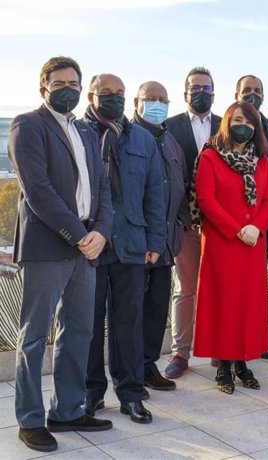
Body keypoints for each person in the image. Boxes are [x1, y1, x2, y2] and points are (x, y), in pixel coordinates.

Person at [9, 56, 114, 453]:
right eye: (60, 82)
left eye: (74, 81)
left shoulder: (86, 130)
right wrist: (79, 234)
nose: (68, 87)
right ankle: (31, 419)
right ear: (44, 88)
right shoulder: (27, 125)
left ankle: (68, 411)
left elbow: (103, 189)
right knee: (35, 336)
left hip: (87, 247)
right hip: (49, 245)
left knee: (79, 333)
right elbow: (38, 191)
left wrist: (101, 231)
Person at [84, 73, 165, 425]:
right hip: (89, 244)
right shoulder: (80, 133)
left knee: (128, 323)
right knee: (87, 322)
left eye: (120, 93)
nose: (114, 98)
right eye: (106, 93)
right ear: (91, 96)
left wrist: (155, 243)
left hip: (131, 244)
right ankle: (90, 393)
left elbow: (154, 193)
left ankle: (131, 394)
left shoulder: (142, 139)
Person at [192, 101, 268, 394]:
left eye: (251, 122)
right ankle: (224, 366)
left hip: (253, 243)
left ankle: (242, 361)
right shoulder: (210, 157)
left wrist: (256, 227)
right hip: (223, 242)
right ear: (227, 122)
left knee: (247, 304)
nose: (245, 126)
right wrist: (236, 229)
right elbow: (206, 199)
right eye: (239, 119)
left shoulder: (262, 160)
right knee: (223, 304)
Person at [131, 81, 189, 392]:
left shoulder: (169, 139)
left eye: (162, 99)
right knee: (132, 310)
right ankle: (130, 372)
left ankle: (148, 364)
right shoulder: (128, 137)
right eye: (150, 99)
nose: (157, 104)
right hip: (138, 244)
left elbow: (179, 184)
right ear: (136, 102)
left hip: (166, 243)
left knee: (156, 308)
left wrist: (180, 220)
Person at [165, 67, 222, 379]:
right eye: (195, 87)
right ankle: (180, 352)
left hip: (221, 225)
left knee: (217, 288)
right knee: (186, 289)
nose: (201, 92)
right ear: (185, 92)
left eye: (206, 87)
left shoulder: (227, 124)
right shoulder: (169, 125)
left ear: (214, 92)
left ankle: (217, 348)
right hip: (185, 222)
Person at [235, 74, 268, 356]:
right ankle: (231, 341)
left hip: (262, 222)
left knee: (256, 281)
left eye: (257, 91)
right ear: (236, 93)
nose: (251, 95)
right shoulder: (225, 128)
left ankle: (257, 339)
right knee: (234, 285)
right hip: (230, 226)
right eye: (246, 90)